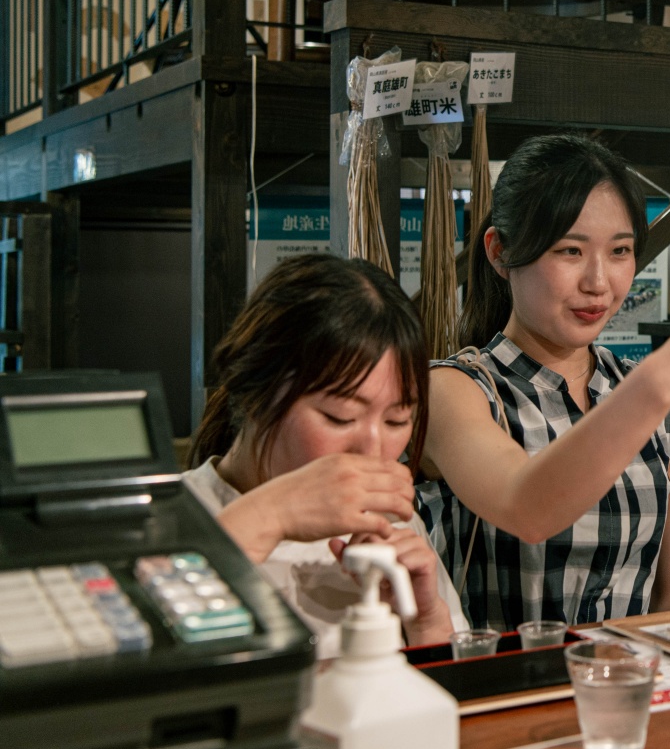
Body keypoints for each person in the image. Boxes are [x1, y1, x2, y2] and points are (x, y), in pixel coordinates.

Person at [420, 134, 670, 631]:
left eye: (620, 250)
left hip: (626, 687)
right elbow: (526, 506)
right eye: (570, 250)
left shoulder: (661, 402)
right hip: (504, 694)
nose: (599, 282)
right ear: (499, 252)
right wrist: (659, 380)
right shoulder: (455, 391)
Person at [185, 254, 467, 659]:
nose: (372, 451)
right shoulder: (168, 518)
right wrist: (274, 513)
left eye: (396, 421)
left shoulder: (391, 526)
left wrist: (425, 621)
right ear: (254, 393)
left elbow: (458, 707)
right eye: (340, 417)